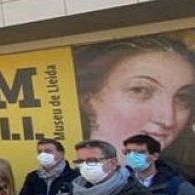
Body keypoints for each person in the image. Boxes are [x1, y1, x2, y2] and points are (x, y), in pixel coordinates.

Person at [75, 36, 195, 177]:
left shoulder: (180, 185)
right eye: (140, 90)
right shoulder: (73, 184)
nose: (168, 119)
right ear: (89, 100)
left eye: (182, 97)